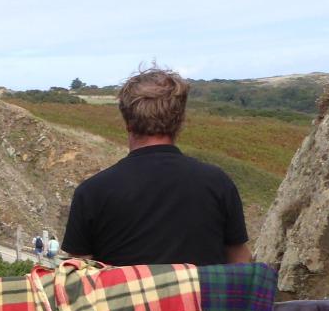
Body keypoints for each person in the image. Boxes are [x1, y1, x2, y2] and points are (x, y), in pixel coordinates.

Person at [61, 67, 249, 267]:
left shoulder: (91, 192)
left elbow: (77, 272)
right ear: (179, 121)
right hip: (201, 289)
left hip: (128, 289)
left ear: (128, 122)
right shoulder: (218, 182)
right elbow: (240, 260)